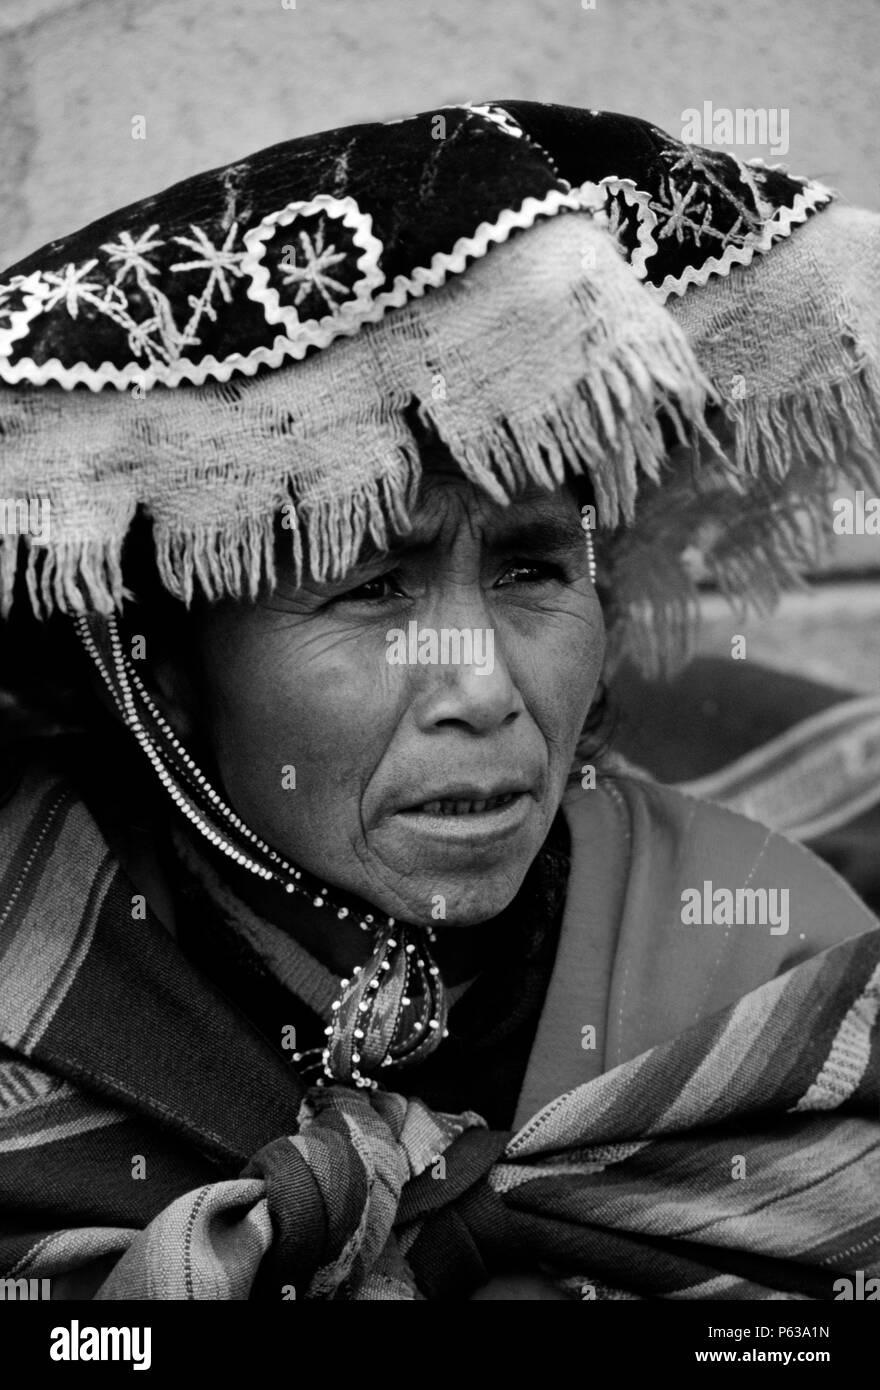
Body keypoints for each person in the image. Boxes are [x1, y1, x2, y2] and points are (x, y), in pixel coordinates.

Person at [0, 100, 878, 1302]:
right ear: (161, 667)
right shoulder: (23, 979)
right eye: (369, 588)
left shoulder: (762, 954)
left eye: (529, 570)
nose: (481, 686)